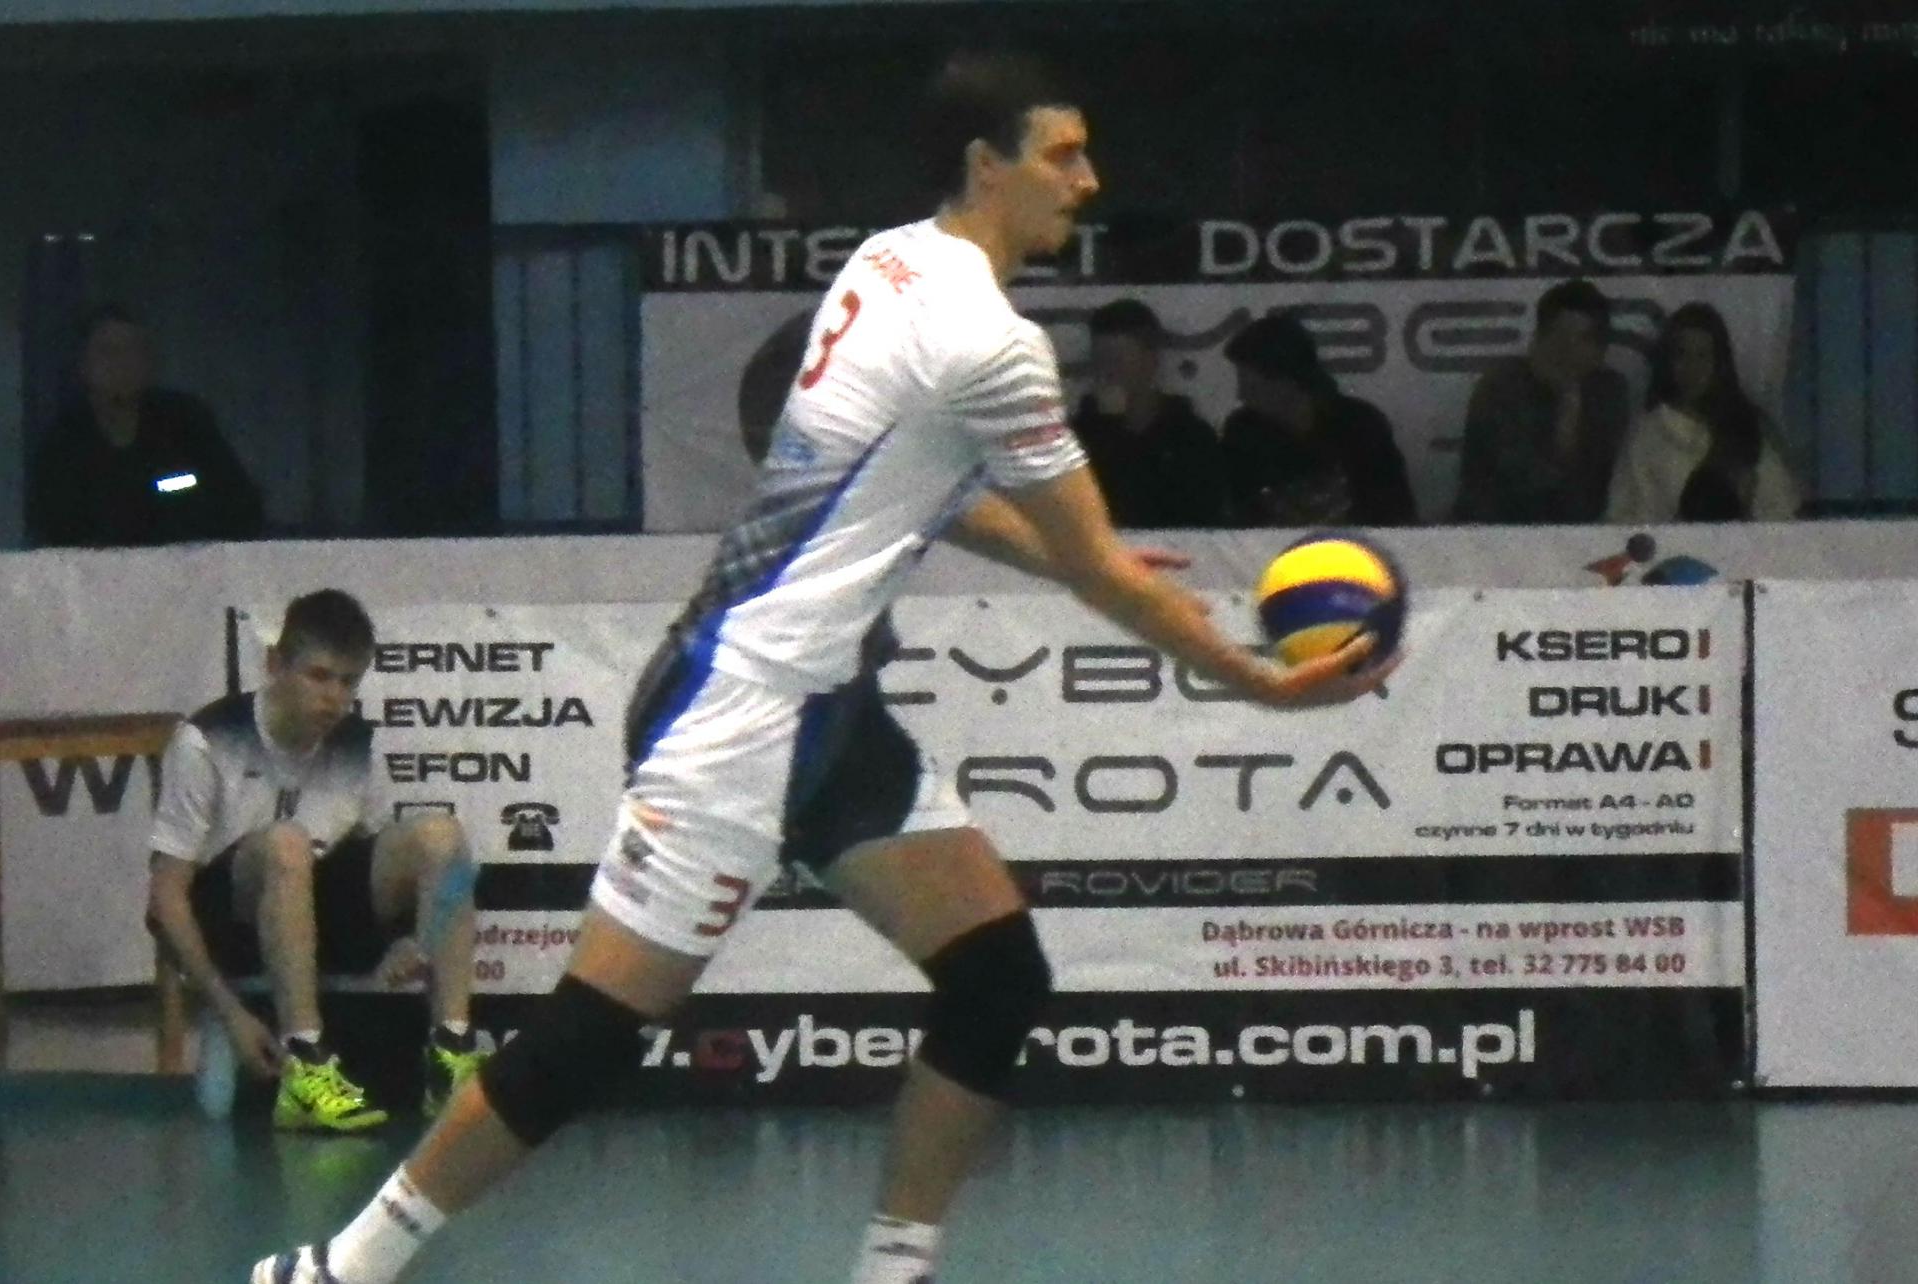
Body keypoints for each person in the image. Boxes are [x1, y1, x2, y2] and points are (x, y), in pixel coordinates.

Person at [253, 51, 1394, 1284]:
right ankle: (339, 1271)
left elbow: (932, 495)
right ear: (986, 165)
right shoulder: (990, 342)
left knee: (996, 977)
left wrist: (1086, 560)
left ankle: (892, 1273)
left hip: (831, 707)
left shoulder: (888, 262)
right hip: (740, 714)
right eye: (1063, 155)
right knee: (588, 1039)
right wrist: (1257, 681)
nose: (1089, 180)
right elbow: (1098, 570)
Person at [146, 589, 489, 1134]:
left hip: (316, 912)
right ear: (275, 665)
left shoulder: (356, 745)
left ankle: (450, 1053)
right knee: (288, 843)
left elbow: (376, 857)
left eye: (348, 682)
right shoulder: (207, 740)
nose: (334, 699)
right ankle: (305, 1062)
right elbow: (165, 895)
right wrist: (228, 1009)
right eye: (319, 676)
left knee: (443, 837)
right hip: (234, 923)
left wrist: (414, 939)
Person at [25, 304, 265, 548]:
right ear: (83, 365)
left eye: (134, 351)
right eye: (108, 352)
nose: (123, 363)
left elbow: (236, 503)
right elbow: (56, 528)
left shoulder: (186, 422)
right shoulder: (64, 442)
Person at [1451, 279, 1630, 524]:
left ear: (1600, 351)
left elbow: (1597, 487)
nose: (1567, 351)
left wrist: (1571, 397)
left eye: (1581, 340)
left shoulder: (1608, 392)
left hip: (1583, 534)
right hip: (1494, 533)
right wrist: (1566, 406)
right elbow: (1519, 488)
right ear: (1538, 338)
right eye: (1560, 338)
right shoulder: (1500, 387)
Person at [1606, 301, 1800, 523]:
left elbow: (1782, 509)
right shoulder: (1646, 434)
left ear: (1719, 363)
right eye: (1682, 355)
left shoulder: (1747, 427)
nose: (1692, 368)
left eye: (1702, 356)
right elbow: (1623, 516)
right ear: (1668, 361)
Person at [1218, 311, 1417, 527]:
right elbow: (1239, 519)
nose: (1242, 395)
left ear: (1287, 381)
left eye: (1252, 385)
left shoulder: (1360, 426)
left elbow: (1394, 511)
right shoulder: (1243, 432)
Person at [1068, 297, 1225, 527]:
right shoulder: (1078, 438)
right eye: (1100, 360)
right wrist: (1107, 429)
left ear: (1150, 360)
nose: (1107, 372)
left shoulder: (1190, 437)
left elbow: (1203, 516)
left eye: (1117, 360)